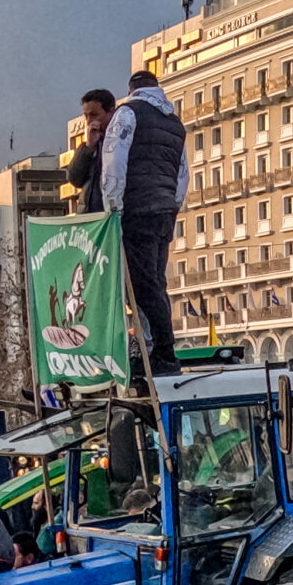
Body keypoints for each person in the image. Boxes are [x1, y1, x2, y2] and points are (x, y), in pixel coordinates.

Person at [99, 67, 190, 384]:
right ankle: (162, 351)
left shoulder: (127, 113)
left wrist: (113, 210)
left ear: (131, 89)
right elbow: (182, 175)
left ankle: (159, 352)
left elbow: (114, 161)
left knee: (139, 286)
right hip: (163, 212)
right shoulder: (175, 124)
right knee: (156, 283)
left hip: (136, 210)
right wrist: (173, 208)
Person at [66, 88, 116, 216]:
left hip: (113, 215)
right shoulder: (91, 144)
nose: (88, 121)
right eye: (86, 115)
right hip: (91, 218)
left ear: (110, 112)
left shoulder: (121, 141)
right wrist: (88, 147)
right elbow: (74, 179)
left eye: (94, 115)